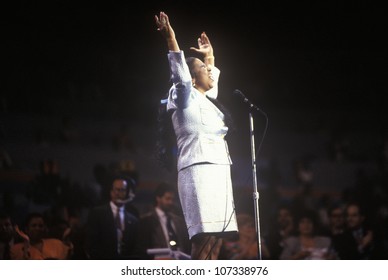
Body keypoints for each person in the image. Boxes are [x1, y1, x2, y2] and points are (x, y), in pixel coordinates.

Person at [154, 11, 238, 260]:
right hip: (197, 170)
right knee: (203, 238)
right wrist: (171, 37)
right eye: (203, 67)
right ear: (191, 78)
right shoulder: (182, 97)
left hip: (220, 171)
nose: (210, 71)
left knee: (217, 237)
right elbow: (180, 76)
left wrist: (210, 56)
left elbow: (212, 84)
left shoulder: (207, 101)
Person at [85, 175, 139, 259]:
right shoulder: (97, 213)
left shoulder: (133, 219)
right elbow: (91, 243)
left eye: (122, 190)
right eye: (116, 189)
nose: (118, 193)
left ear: (127, 193)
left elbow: (135, 248)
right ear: (111, 191)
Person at [137, 182, 191, 258]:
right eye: (167, 198)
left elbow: (185, 246)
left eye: (172, 199)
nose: (170, 202)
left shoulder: (179, 221)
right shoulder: (146, 221)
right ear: (158, 198)